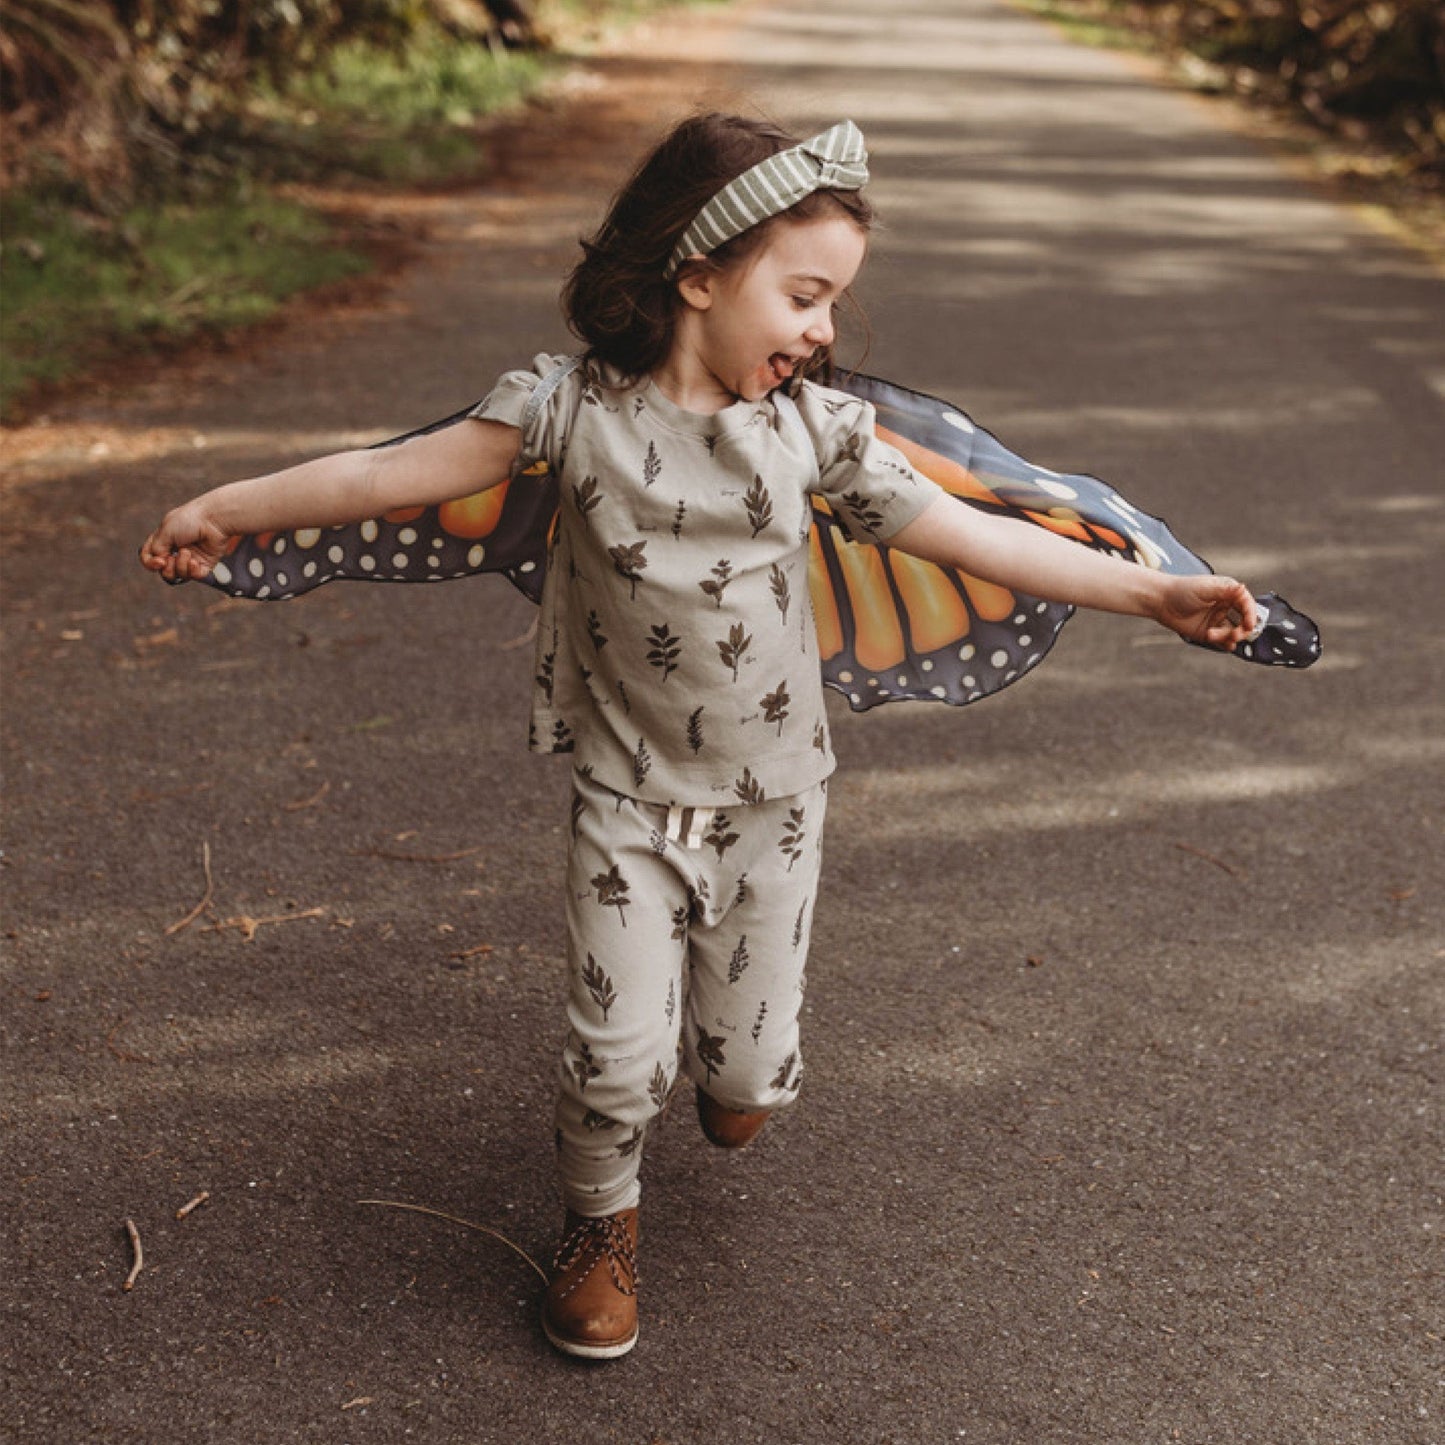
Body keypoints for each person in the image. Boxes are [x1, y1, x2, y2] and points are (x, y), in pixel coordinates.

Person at [140, 112, 1258, 1360]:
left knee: (746, 1075)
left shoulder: (812, 436)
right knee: (614, 1061)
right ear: (696, 276)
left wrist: (1152, 593)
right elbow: (383, 474)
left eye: (833, 302)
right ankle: (598, 1228)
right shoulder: (566, 412)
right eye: (803, 295)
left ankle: (740, 1085)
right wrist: (227, 507)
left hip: (775, 804)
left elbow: (968, 534)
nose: (825, 329)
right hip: (625, 800)